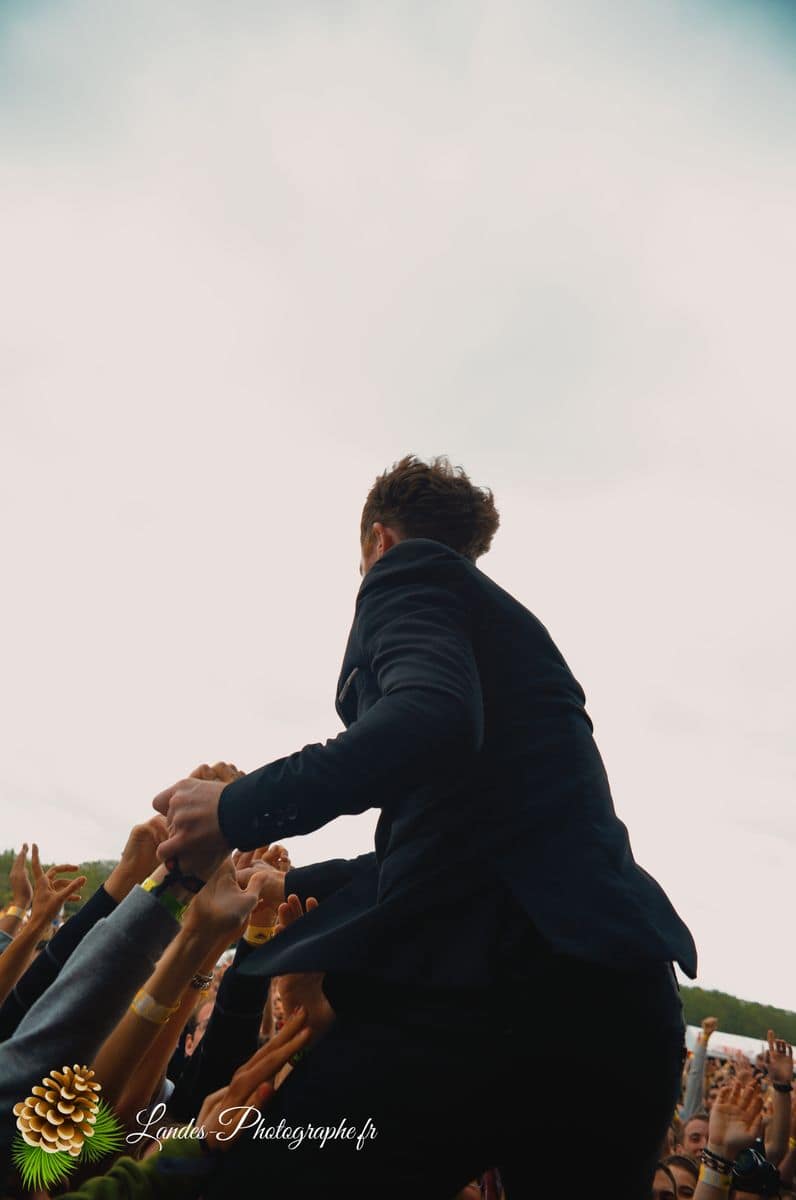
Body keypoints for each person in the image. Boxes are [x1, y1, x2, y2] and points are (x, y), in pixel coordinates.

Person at [153, 454, 697, 1198]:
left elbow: (429, 719)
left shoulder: (409, 574)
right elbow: (458, 849)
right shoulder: (507, 638)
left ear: (378, 539)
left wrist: (231, 811)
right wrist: (290, 885)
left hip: (493, 996)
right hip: (622, 1005)